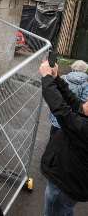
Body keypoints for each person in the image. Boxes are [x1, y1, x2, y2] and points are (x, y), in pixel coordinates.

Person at [39, 60, 88, 216]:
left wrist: (46, 78)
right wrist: (56, 78)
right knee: (66, 210)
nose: (86, 101)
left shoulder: (83, 128)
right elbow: (75, 104)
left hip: (65, 184)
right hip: (71, 182)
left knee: (54, 211)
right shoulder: (83, 120)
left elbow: (61, 110)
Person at [48, 60, 88, 135]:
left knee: (53, 137)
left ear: (73, 68)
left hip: (57, 115)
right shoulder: (86, 85)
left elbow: (54, 95)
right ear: (85, 70)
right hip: (70, 120)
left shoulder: (62, 78)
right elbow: (83, 107)